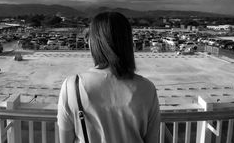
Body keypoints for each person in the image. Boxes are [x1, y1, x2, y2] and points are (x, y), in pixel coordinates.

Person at [57, 12, 160, 143]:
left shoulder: (72, 85)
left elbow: (65, 140)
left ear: (94, 43)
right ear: (127, 43)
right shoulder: (147, 88)